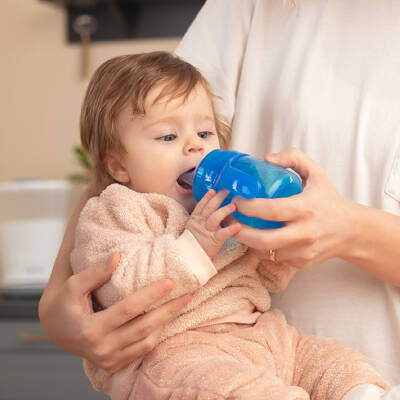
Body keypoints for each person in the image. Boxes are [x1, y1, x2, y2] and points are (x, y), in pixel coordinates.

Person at [38, 0, 400, 391]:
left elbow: (266, 277)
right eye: (168, 137)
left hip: (264, 335)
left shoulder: (214, 208)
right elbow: (116, 283)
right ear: (119, 166)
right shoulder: (118, 209)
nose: (195, 147)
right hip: (183, 353)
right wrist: (195, 244)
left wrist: (275, 247)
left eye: (206, 133)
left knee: (333, 361)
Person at [173, 0, 400, 387]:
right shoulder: (257, 7)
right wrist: (61, 304)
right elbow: (141, 137)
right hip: (234, 363)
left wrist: (351, 231)